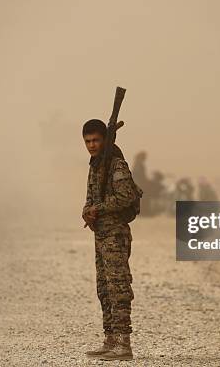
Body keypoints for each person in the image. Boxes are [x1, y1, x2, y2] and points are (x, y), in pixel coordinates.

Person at [81, 119, 138, 361]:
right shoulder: (95, 166)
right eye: (87, 141)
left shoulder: (116, 164)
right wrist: (86, 211)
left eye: (95, 140)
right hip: (101, 236)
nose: (91, 145)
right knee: (104, 289)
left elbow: (127, 196)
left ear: (104, 139)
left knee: (119, 289)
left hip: (115, 235)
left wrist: (100, 208)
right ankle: (110, 340)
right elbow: (89, 197)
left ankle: (123, 343)